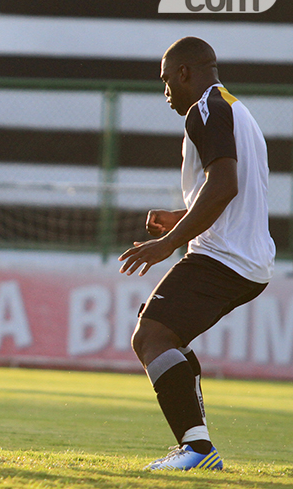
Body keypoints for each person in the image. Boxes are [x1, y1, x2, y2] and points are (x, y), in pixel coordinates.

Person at [118, 37, 275, 471]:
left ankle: (197, 450)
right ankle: (197, 444)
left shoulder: (205, 111)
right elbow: (231, 191)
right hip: (245, 258)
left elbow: (225, 185)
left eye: (167, 81)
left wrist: (168, 245)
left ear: (186, 72)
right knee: (169, 339)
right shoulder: (236, 110)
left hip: (222, 256)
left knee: (149, 337)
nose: (165, 92)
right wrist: (181, 217)